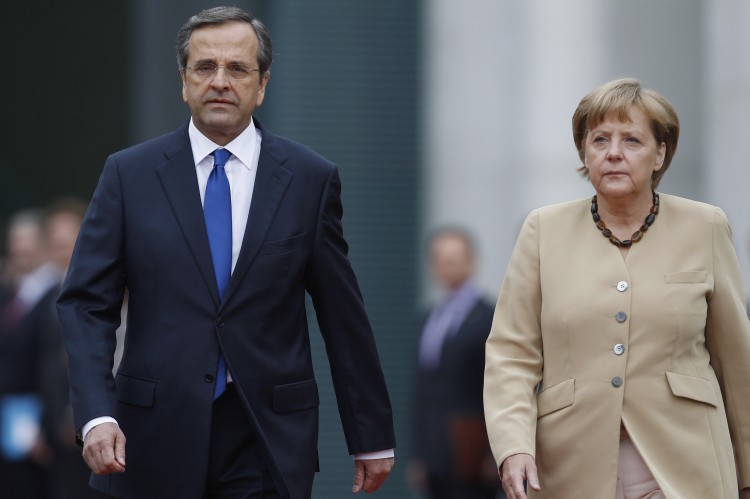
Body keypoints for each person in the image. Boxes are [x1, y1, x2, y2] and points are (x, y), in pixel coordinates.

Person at [57, 6, 395, 499]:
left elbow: (342, 314)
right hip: (150, 436)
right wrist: (96, 413)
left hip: (265, 436)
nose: (220, 81)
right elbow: (85, 304)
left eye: (237, 69)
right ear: (183, 81)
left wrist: (370, 435)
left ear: (262, 85)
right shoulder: (129, 175)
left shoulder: (308, 179)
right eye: (205, 67)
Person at [483, 78, 750, 499]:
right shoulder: (542, 230)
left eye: (632, 140)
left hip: (686, 461)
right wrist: (513, 447)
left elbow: (737, 363)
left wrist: (748, 473)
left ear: (660, 152)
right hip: (571, 465)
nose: (613, 153)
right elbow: (511, 354)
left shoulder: (706, 227)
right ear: (584, 152)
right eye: (600, 139)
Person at [409, 228, 503, 499]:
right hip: (435, 451)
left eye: (454, 258)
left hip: (472, 449)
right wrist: (418, 453)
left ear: (472, 261)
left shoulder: (490, 317)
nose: (446, 267)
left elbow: (499, 386)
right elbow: (422, 389)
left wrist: (496, 451)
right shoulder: (430, 318)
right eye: (439, 259)